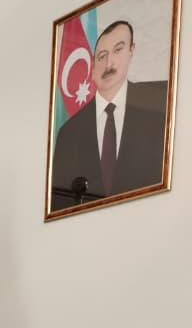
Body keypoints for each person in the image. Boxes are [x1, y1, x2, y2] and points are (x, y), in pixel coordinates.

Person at [50, 19, 166, 212]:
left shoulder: (160, 105)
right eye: (102, 56)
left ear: (131, 50)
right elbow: (59, 207)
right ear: (93, 64)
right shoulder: (68, 133)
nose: (108, 63)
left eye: (118, 50)